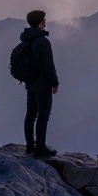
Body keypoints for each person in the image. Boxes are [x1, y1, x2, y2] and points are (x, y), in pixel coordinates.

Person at [20, 10, 59, 156]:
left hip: (30, 82)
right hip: (42, 84)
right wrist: (54, 82)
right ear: (40, 22)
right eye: (44, 19)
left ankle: (30, 146)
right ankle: (40, 148)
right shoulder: (43, 41)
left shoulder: (27, 39)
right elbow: (48, 65)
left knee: (30, 115)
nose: (45, 20)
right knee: (43, 115)